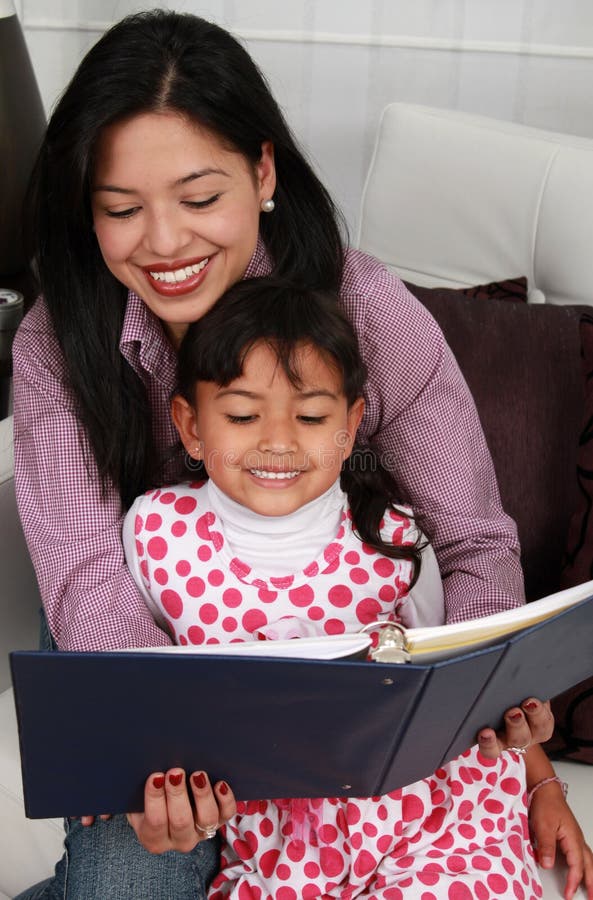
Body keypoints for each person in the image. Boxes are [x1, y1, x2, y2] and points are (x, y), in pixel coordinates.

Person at [11, 8, 591, 900]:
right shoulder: (59, 343)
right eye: (122, 210)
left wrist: (509, 744)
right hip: (140, 631)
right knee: (131, 887)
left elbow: (474, 544)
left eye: (200, 199)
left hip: (332, 653)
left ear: (263, 170)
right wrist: (148, 748)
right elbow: (90, 578)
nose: (164, 244)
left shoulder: (362, 306)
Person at [122, 277, 562, 898]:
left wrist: (538, 776)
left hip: (429, 817)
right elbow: (130, 682)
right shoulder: (156, 534)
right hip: (278, 841)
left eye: (310, 416)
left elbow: (463, 674)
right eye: (243, 415)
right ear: (192, 426)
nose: (278, 443)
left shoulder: (393, 538)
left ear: (352, 425)